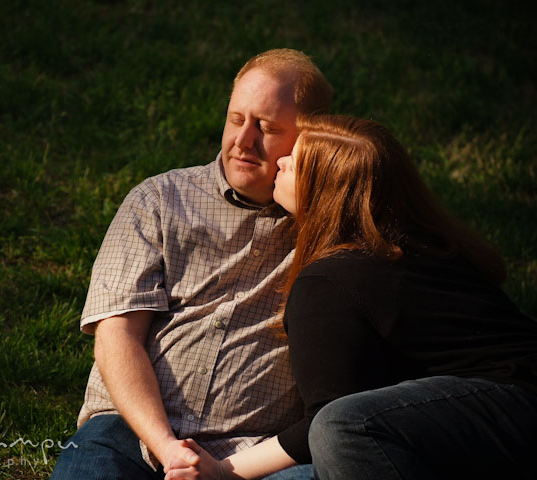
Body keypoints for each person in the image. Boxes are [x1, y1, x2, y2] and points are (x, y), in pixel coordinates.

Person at [164, 115, 537, 480]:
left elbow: (326, 420)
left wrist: (222, 470)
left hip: (508, 407)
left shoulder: (330, 281)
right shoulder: (425, 245)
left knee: (344, 425)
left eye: (295, 164)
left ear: (325, 193)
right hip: (496, 414)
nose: (281, 160)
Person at [49, 49, 333, 479]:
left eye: (267, 127)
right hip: (131, 433)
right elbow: (117, 337)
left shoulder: (328, 231)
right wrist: (168, 450)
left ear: (310, 139)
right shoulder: (159, 200)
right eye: (236, 119)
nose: (243, 140)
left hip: (256, 455)